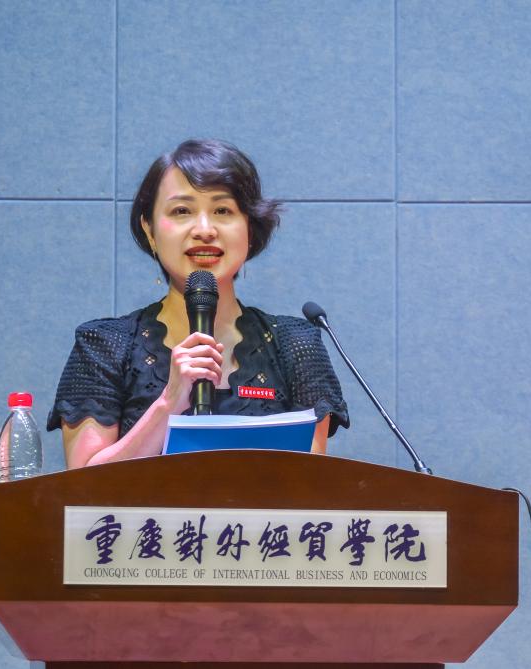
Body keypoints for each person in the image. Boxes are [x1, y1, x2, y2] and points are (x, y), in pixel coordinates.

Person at [47, 139, 348, 468]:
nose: (204, 230)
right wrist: (169, 402)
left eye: (223, 211)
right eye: (182, 211)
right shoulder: (105, 344)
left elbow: (311, 484)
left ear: (250, 229)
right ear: (149, 230)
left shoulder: (296, 345)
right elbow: (82, 487)